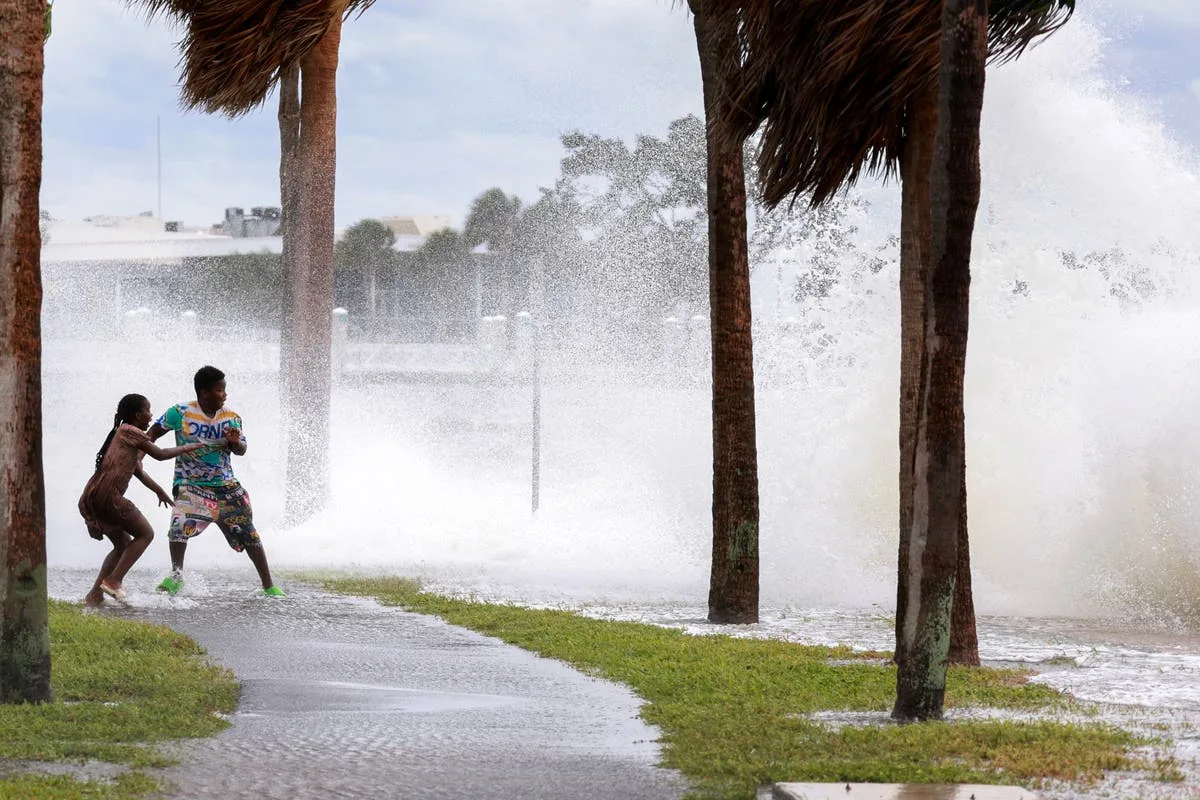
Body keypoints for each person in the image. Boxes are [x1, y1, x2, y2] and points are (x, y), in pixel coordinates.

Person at [148, 365, 285, 597]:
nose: (225, 395)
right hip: (190, 484)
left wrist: (234, 442)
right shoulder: (179, 412)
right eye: (220, 390)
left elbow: (241, 449)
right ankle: (176, 577)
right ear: (204, 393)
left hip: (226, 487)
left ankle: (269, 586)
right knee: (178, 524)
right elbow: (150, 436)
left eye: (225, 390)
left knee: (250, 534)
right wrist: (135, 457)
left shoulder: (231, 418)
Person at [80, 393, 207, 606]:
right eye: (148, 411)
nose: (151, 415)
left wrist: (158, 491)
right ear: (138, 414)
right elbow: (160, 454)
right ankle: (114, 581)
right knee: (146, 534)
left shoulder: (121, 434)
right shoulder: (131, 431)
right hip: (110, 497)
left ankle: (95, 594)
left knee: (122, 545)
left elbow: (138, 470)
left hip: (94, 496)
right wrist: (187, 448)